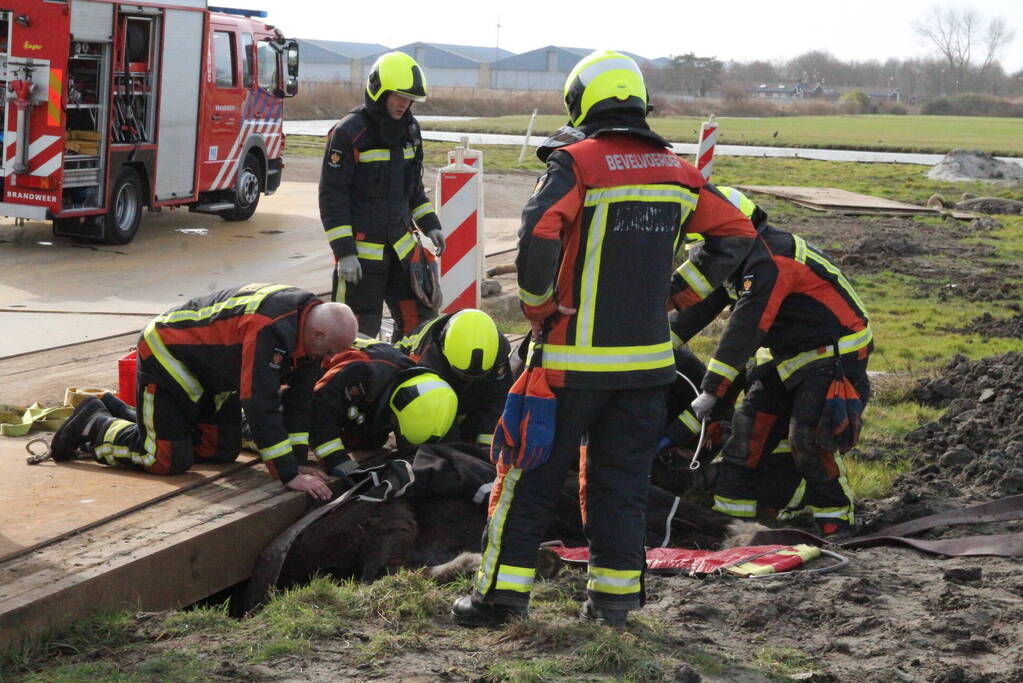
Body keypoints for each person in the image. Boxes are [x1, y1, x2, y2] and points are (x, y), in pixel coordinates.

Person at [452, 50, 757, 628]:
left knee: (527, 478)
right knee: (620, 488)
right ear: (639, 102)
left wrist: (538, 306)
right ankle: (615, 604)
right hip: (646, 371)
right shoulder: (678, 170)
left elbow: (539, 232)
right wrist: (677, 293)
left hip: (568, 366)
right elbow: (737, 233)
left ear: (580, 100)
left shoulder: (578, 162)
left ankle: (499, 600)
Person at [672, 187, 872, 538]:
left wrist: (710, 392)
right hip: (786, 357)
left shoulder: (771, 261)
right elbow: (694, 313)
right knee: (747, 434)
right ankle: (729, 523)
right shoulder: (737, 258)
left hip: (833, 356)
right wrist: (653, 348)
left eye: (704, 247)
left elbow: (745, 329)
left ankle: (836, 519)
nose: (702, 256)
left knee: (809, 437)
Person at [50, 285, 358, 501]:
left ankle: (143, 422)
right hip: (169, 354)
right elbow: (258, 402)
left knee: (221, 450)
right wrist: (288, 474)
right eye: (329, 350)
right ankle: (94, 424)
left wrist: (297, 459)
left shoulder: (310, 332)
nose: (328, 359)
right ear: (318, 333)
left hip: (213, 370)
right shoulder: (271, 327)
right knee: (164, 459)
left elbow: (299, 401)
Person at [319, 51, 445, 341]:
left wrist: (431, 225)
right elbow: (332, 196)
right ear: (379, 91)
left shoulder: (410, 131)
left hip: (402, 252)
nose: (404, 104)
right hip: (361, 260)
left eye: (409, 98)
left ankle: (408, 378)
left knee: (420, 326)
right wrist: (345, 253)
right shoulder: (348, 133)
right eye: (398, 96)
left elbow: (413, 189)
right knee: (354, 334)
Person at [310, 338, 459, 475]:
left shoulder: (407, 383)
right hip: (299, 380)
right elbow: (318, 408)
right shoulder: (363, 370)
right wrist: (337, 461)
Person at [394, 308, 513, 449]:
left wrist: (488, 451)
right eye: (463, 376)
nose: (469, 381)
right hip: (418, 404)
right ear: (444, 349)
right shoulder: (426, 357)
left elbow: (498, 400)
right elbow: (435, 416)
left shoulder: (495, 348)